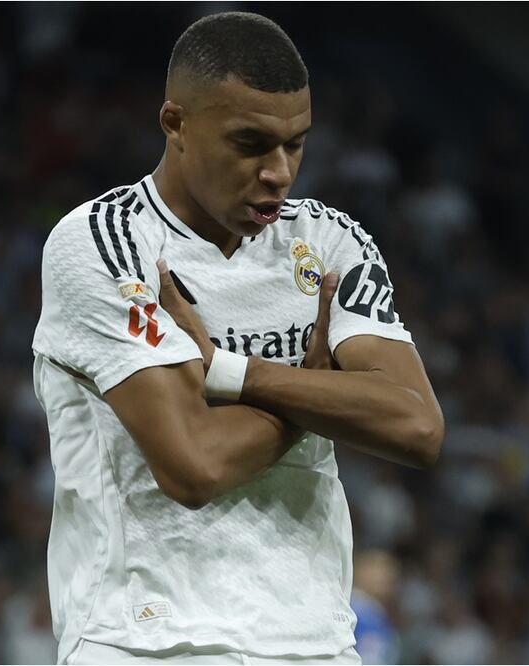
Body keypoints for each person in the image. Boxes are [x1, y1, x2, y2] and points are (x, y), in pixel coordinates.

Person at [31, 11, 444, 665]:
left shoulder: (331, 243)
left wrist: (228, 371)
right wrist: (322, 394)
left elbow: (417, 427)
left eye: (295, 144)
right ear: (176, 124)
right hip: (144, 638)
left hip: (313, 642)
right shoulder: (107, 244)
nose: (278, 172)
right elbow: (193, 466)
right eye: (250, 143)